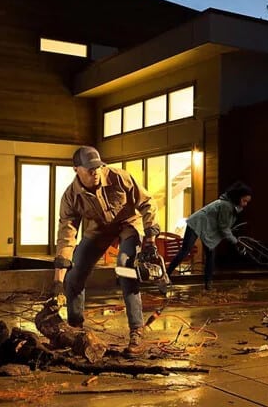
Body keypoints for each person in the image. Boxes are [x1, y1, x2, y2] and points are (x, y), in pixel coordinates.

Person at [53, 146, 160, 356]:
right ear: (76, 169)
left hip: (128, 225)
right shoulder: (70, 197)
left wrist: (151, 238)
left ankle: (137, 331)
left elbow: (147, 202)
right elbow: (66, 235)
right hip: (98, 230)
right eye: (89, 169)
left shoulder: (120, 177)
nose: (95, 172)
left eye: (98, 167)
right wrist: (58, 282)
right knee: (74, 276)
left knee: (125, 268)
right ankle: (75, 330)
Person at [165, 181, 253, 290]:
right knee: (185, 251)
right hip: (196, 224)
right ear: (237, 197)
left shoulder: (231, 206)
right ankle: (166, 275)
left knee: (210, 254)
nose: (245, 204)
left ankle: (208, 284)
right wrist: (235, 241)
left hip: (207, 229)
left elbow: (224, 226)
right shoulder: (226, 205)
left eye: (247, 202)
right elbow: (223, 227)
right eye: (244, 201)